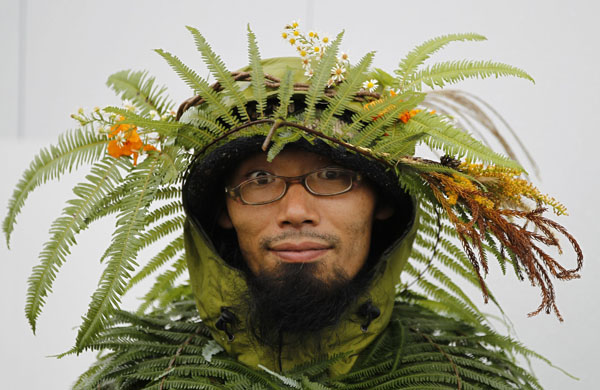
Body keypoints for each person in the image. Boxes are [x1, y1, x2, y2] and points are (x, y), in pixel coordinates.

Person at [5, 23, 583, 389]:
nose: (297, 211)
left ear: (382, 204)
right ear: (221, 211)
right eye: (259, 179)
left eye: (332, 175)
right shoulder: (142, 377)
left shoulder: (466, 376)